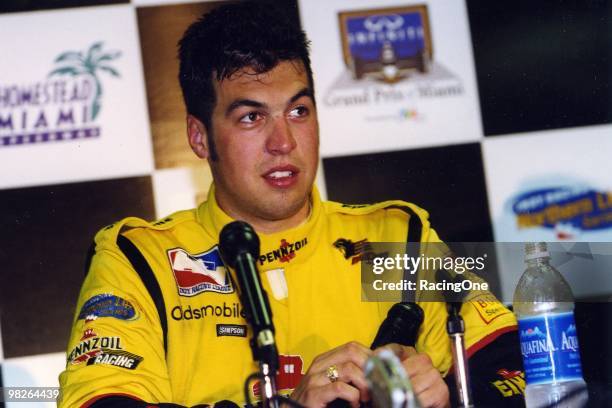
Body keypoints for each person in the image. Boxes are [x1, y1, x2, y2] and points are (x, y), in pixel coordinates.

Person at [59, 2, 524, 407]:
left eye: (299, 111)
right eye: (251, 117)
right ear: (199, 137)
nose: (283, 142)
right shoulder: (140, 259)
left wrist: (449, 391)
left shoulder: (396, 237)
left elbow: (524, 375)